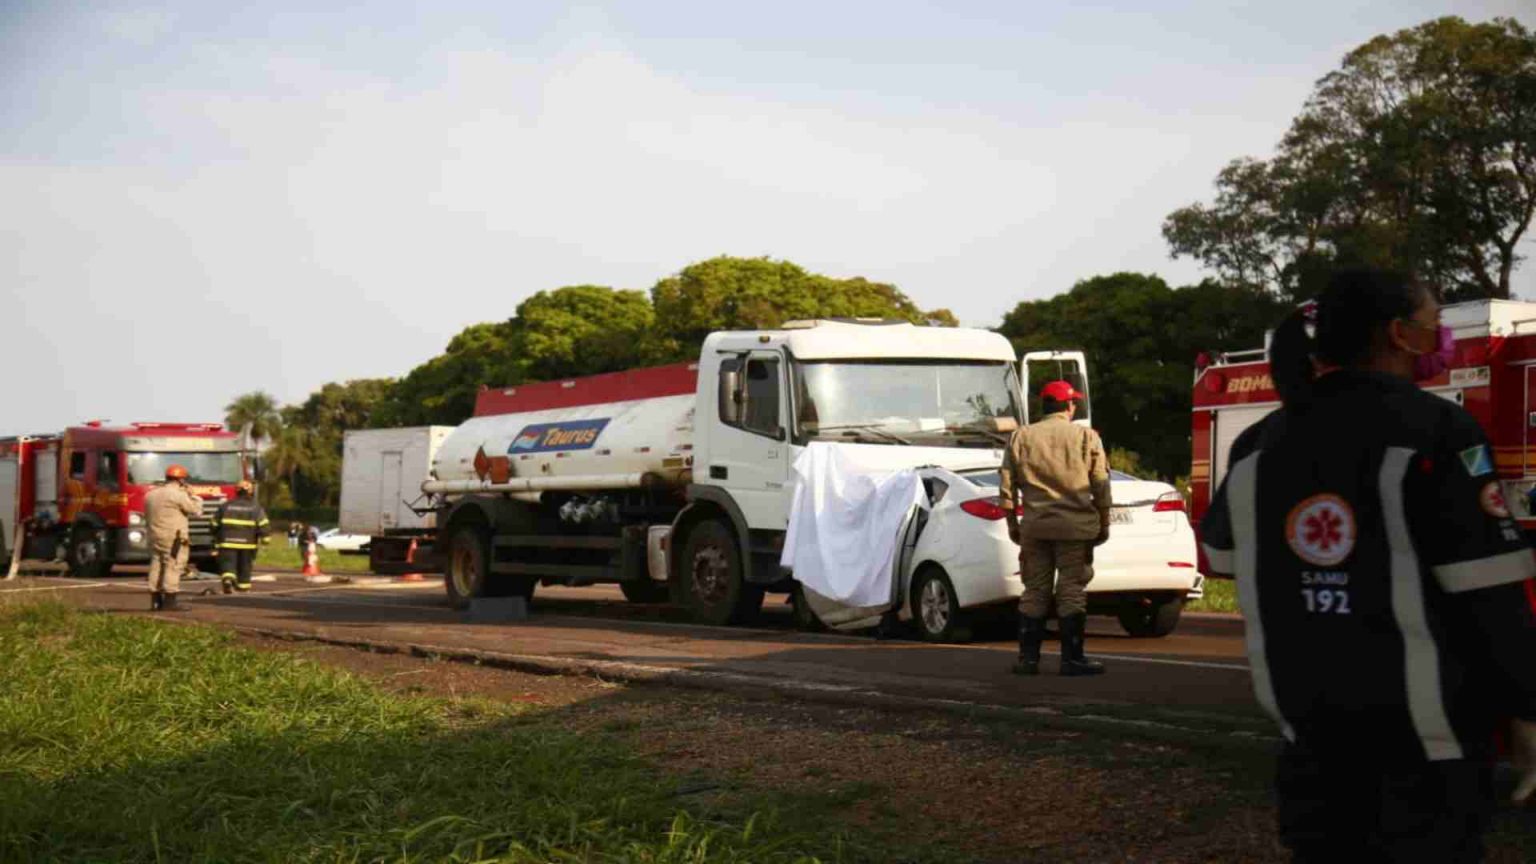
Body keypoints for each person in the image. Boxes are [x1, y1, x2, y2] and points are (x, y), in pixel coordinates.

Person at [1201, 269, 1536, 862]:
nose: (1441, 339)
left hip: (1310, 744)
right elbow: (1488, 595)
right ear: (1399, 335)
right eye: (1433, 325)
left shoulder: (1257, 444)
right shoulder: (1439, 430)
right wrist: (1527, 709)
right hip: (1425, 755)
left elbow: (1223, 556)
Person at [1000, 379, 1112, 676]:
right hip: (1075, 530)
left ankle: (1028, 660)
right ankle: (1072, 659)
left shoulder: (1020, 437)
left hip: (1035, 529)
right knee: (1071, 591)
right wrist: (1104, 523)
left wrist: (1014, 525)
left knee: (1034, 590)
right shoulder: (1086, 437)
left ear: (1044, 406)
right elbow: (1101, 485)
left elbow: (1007, 488)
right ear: (1070, 406)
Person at [143, 464, 203, 611]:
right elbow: (196, 511)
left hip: (154, 535)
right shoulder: (178, 495)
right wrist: (194, 495)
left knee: (156, 565)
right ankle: (170, 602)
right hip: (174, 537)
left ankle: (156, 601)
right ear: (181, 480)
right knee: (173, 566)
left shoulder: (151, 494)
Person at [213, 480, 269, 593]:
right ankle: (243, 589)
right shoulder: (256, 508)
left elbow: (214, 524)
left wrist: (215, 535)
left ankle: (228, 579)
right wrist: (265, 539)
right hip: (248, 544)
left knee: (228, 564)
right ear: (250, 492)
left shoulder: (225, 506)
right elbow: (263, 524)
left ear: (236, 491)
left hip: (227, 542)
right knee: (245, 567)